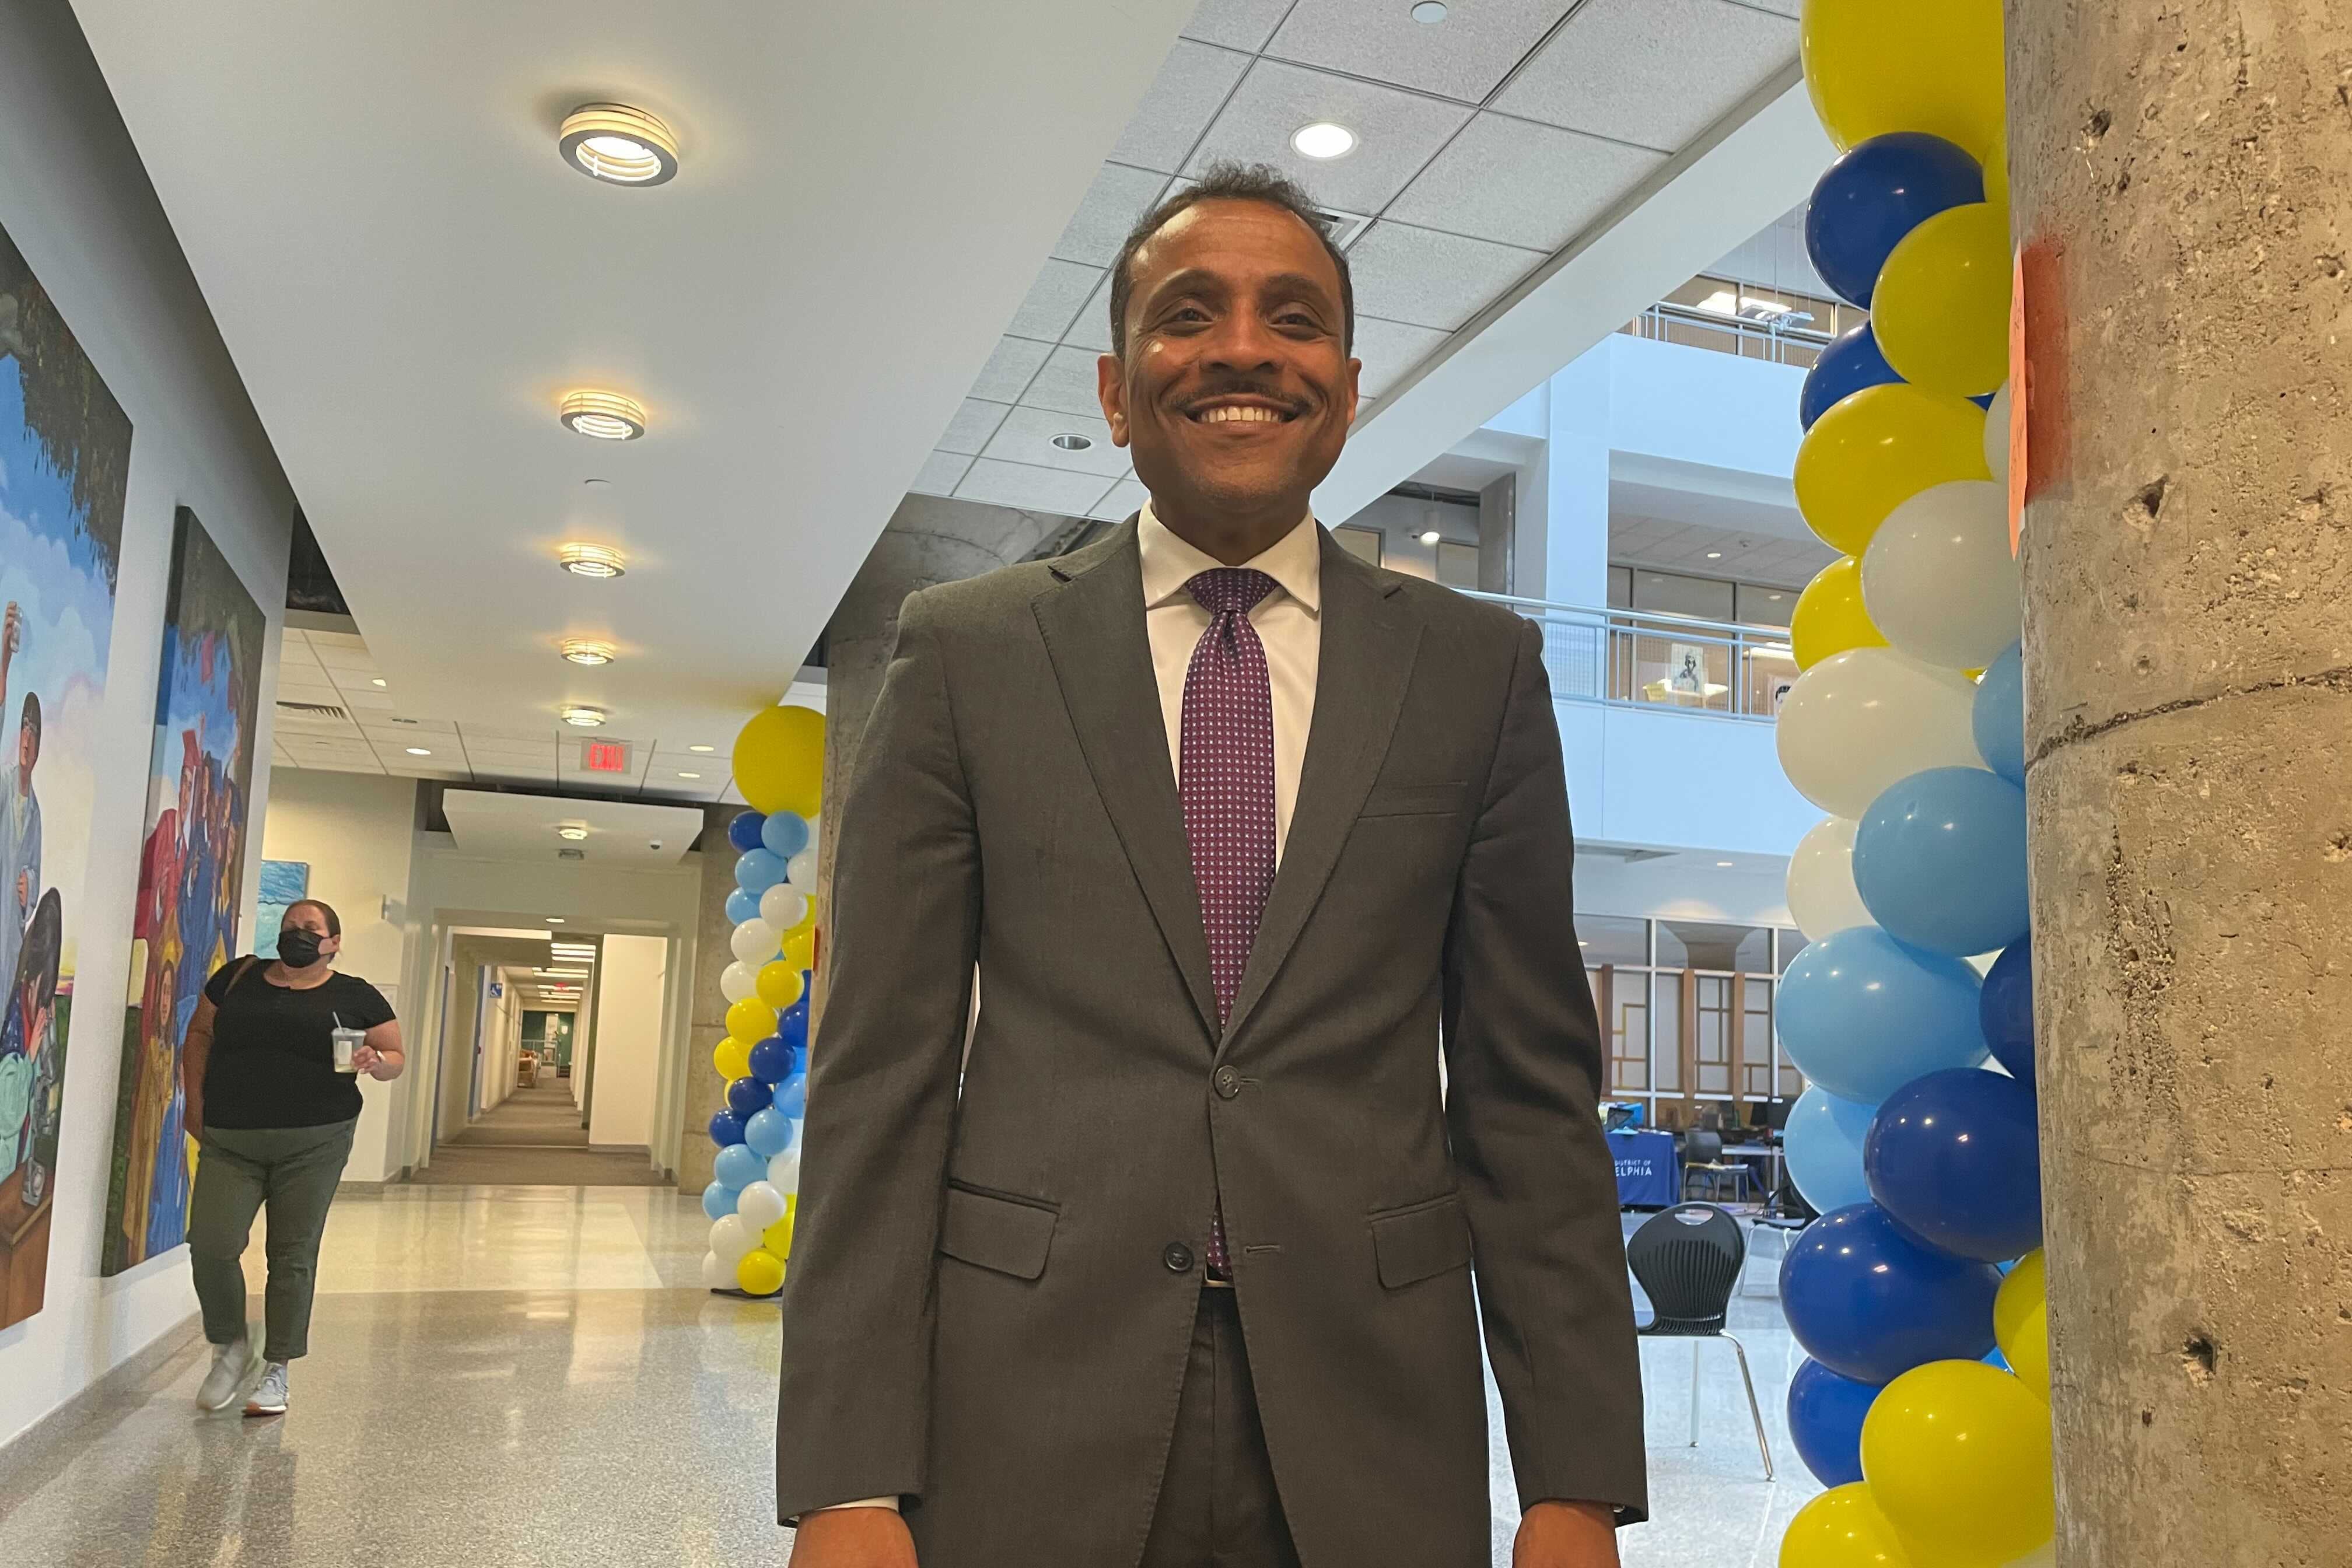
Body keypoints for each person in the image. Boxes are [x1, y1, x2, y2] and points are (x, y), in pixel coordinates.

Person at [777, 164, 1643, 1567]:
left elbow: (1529, 1098)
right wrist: (846, 1476)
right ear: (1117, 393)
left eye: (1293, 320)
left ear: (1344, 393)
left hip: (1374, 1411)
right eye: (1188, 315)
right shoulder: (968, 652)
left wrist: (1577, 1480)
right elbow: (879, 1077)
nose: (1244, 349)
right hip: (1029, 1396)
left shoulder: (1475, 671)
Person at [184, 898, 401, 1416]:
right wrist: (194, 1103)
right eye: (289, 926)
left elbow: (395, 1057)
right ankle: (230, 1344)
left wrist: (376, 1061)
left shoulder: (355, 995)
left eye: (310, 928)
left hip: (315, 1140)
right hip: (232, 1136)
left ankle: (277, 1368)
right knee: (211, 1244)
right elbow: (199, 1034)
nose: (296, 934)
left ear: (333, 943)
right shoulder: (237, 979)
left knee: (292, 1254)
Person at [0, 602, 43, 997]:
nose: (27, 738)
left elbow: (35, 869)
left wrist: (29, 884)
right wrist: (4, 664)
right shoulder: (3, 784)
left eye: (34, 731)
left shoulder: (35, 814)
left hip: (8, 937)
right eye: (23, 728)